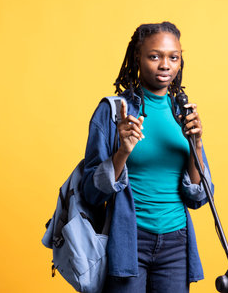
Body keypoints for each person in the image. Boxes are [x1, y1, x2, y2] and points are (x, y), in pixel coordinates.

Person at [81, 22, 214, 293]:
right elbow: (90, 193)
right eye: (155, 56)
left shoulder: (183, 112)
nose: (165, 64)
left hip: (176, 241)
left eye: (173, 57)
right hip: (129, 239)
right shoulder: (112, 112)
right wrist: (123, 151)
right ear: (138, 59)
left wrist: (197, 144)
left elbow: (198, 197)